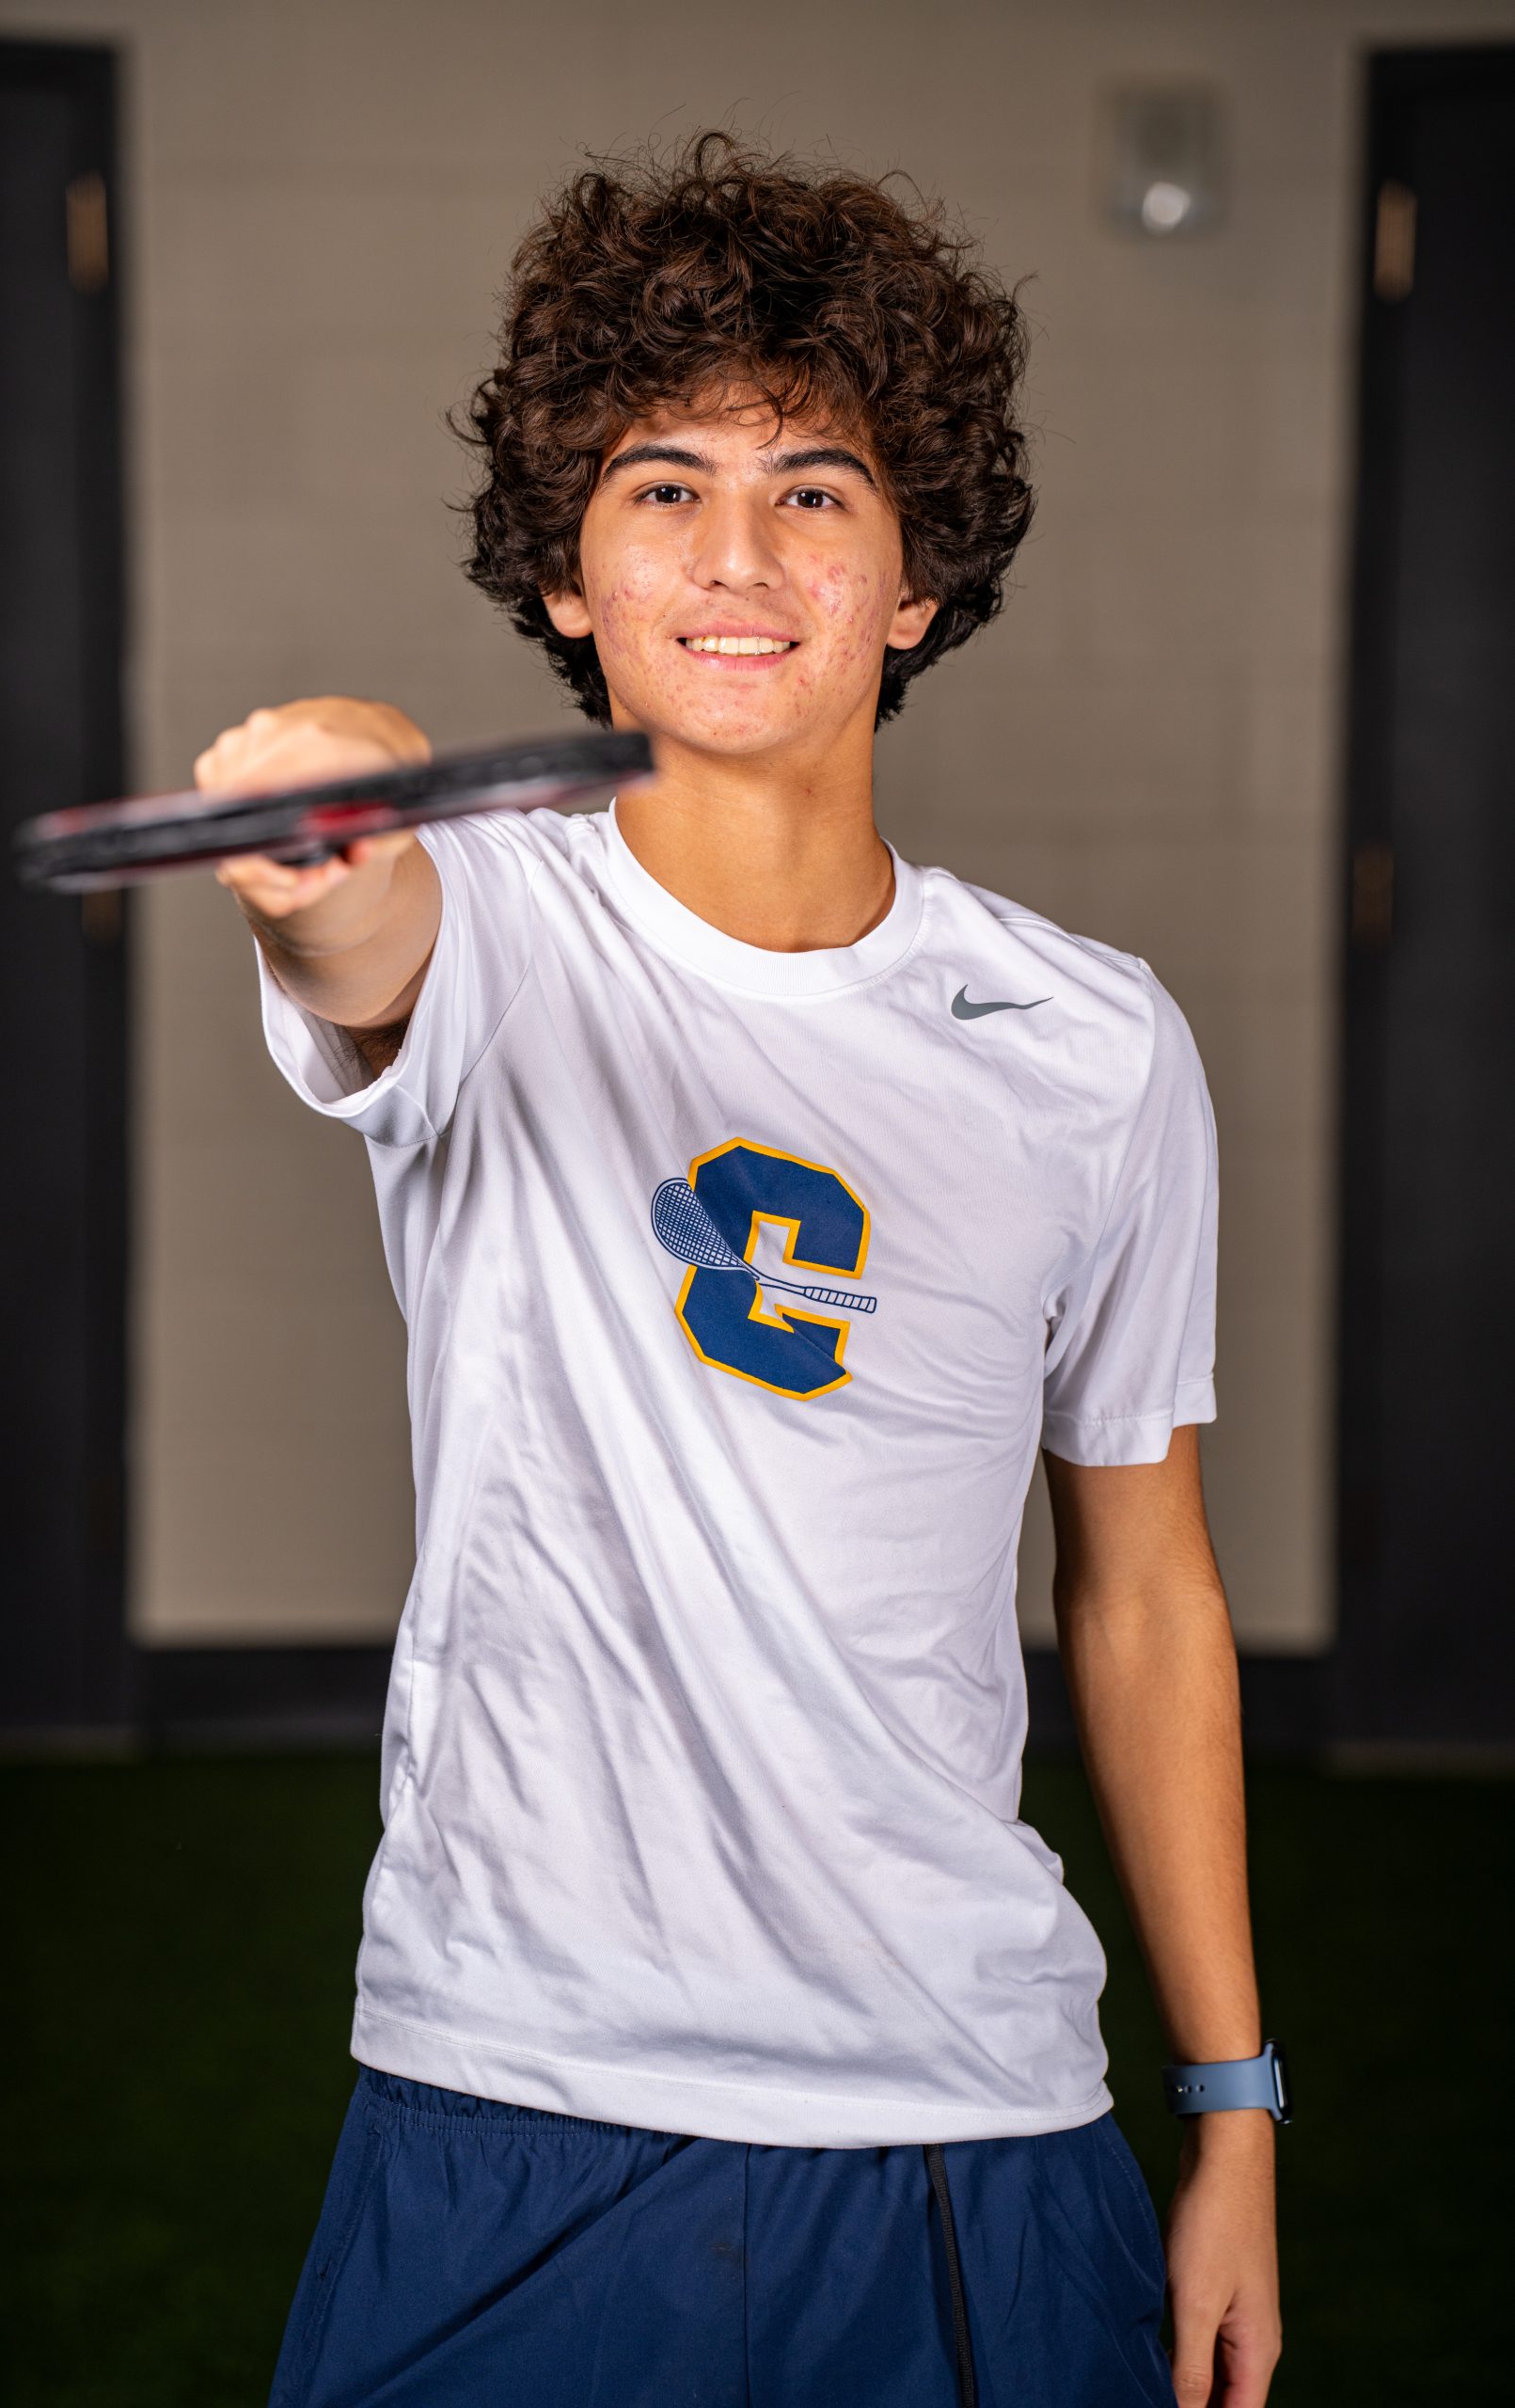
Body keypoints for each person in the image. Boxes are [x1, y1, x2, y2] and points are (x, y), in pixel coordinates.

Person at [197, 135, 1281, 2408]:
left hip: (971, 2116)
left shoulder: (1088, 1040)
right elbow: (358, 920)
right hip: (520, 2088)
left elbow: (1146, 1592)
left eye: (814, 490)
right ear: (567, 576)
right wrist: (334, 785)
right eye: (662, 487)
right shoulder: (496, 916)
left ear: (914, 581)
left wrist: (1234, 2109)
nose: (736, 554)